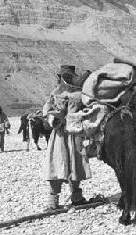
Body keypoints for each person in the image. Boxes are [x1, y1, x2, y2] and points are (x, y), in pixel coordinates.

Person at [43, 65, 92, 211]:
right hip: (75, 134)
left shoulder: (57, 94)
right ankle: (77, 197)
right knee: (75, 164)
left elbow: (51, 115)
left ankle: (53, 201)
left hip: (60, 135)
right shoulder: (81, 95)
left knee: (56, 163)